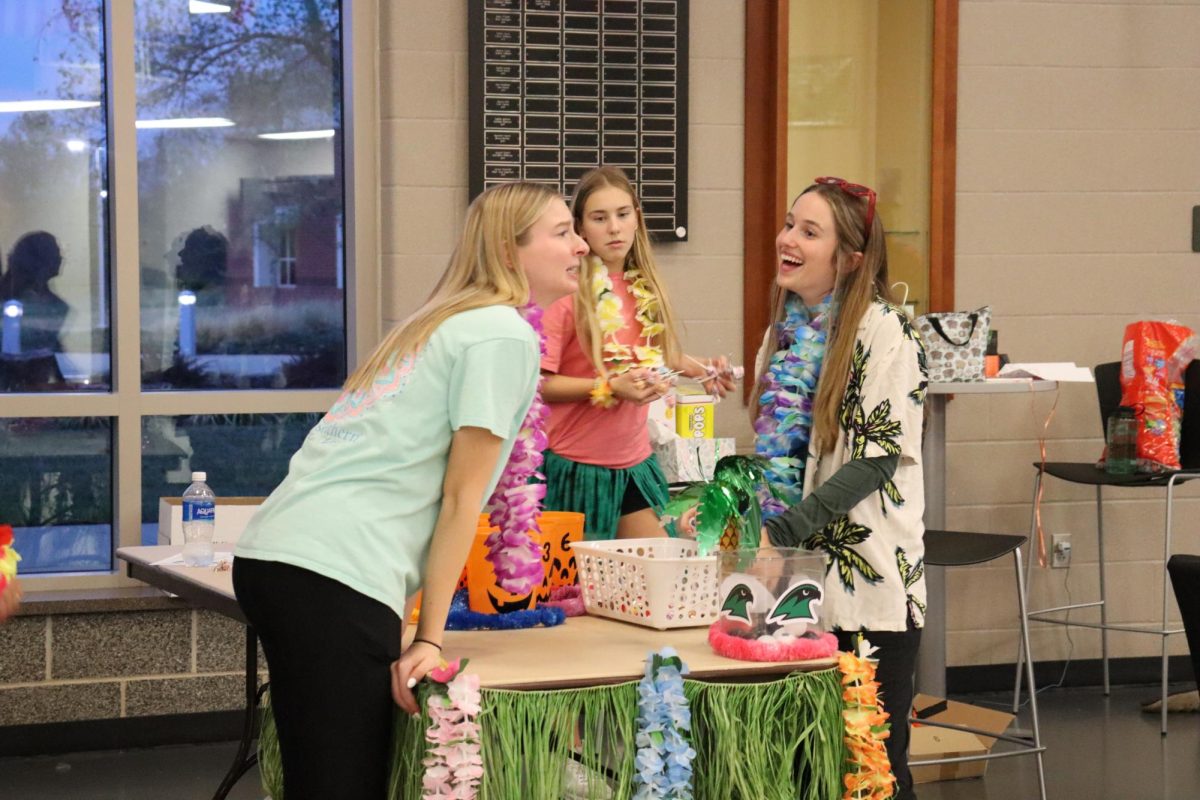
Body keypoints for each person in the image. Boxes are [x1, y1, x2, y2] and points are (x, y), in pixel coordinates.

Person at [232, 181, 589, 800]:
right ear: (510, 251)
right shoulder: (501, 334)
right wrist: (429, 636)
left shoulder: (441, 323)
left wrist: (400, 613)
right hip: (332, 573)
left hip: (277, 558)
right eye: (562, 232)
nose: (582, 244)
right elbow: (459, 499)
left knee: (320, 776)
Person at [685, 177, 927, 798]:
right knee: (801, 773)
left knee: (870, 770)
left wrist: (777, 534)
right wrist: (727, 513)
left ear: (850, 258)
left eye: (808, 231)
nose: (786, 239)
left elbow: (873, 462)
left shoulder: (886, 334)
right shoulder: (780, 336)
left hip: (865, 588)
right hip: (792, 587)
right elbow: (773, 466)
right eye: (790, 224)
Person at [539, 166, 736, 540]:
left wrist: (702, 369)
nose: (613, 228)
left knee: (659, 576)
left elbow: (652, 354)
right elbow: (538, 382)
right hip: (578, 468)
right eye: (600, 218)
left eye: (622, 214)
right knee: (578, 593)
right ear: (580, 228)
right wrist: (611, 386)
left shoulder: (644, 286)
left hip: (635, 464)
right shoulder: (566, 293)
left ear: (636, 219)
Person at [0, 231, 69, 354]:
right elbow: (13, 352)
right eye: (56, 252)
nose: (61, 258)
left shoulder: (51, 302)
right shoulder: (16, 304)